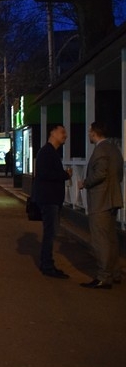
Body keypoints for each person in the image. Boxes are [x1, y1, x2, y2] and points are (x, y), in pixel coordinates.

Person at [77, 122, 124, 289]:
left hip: (101, 201)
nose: (89, 134)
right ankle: (115, 272)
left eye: (90, 132)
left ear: (94, 132)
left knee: (101, 240)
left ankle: (104, 276)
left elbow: (100, 173)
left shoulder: (100, 150)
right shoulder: (114, 150)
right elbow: (119, 173)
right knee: (111, 239)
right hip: (113, 199)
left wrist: (85, 183)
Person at [32, 125, 72, 279]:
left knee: (51, 232)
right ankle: (47, 265)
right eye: (62, 132)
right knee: (50, 232)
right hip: (49, 200)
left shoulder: (49, 152)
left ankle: (47, 263)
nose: (65, 135)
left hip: (50, 199)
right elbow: (45, 173)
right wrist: (64, 175)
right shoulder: (46, 152)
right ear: (52, 133)